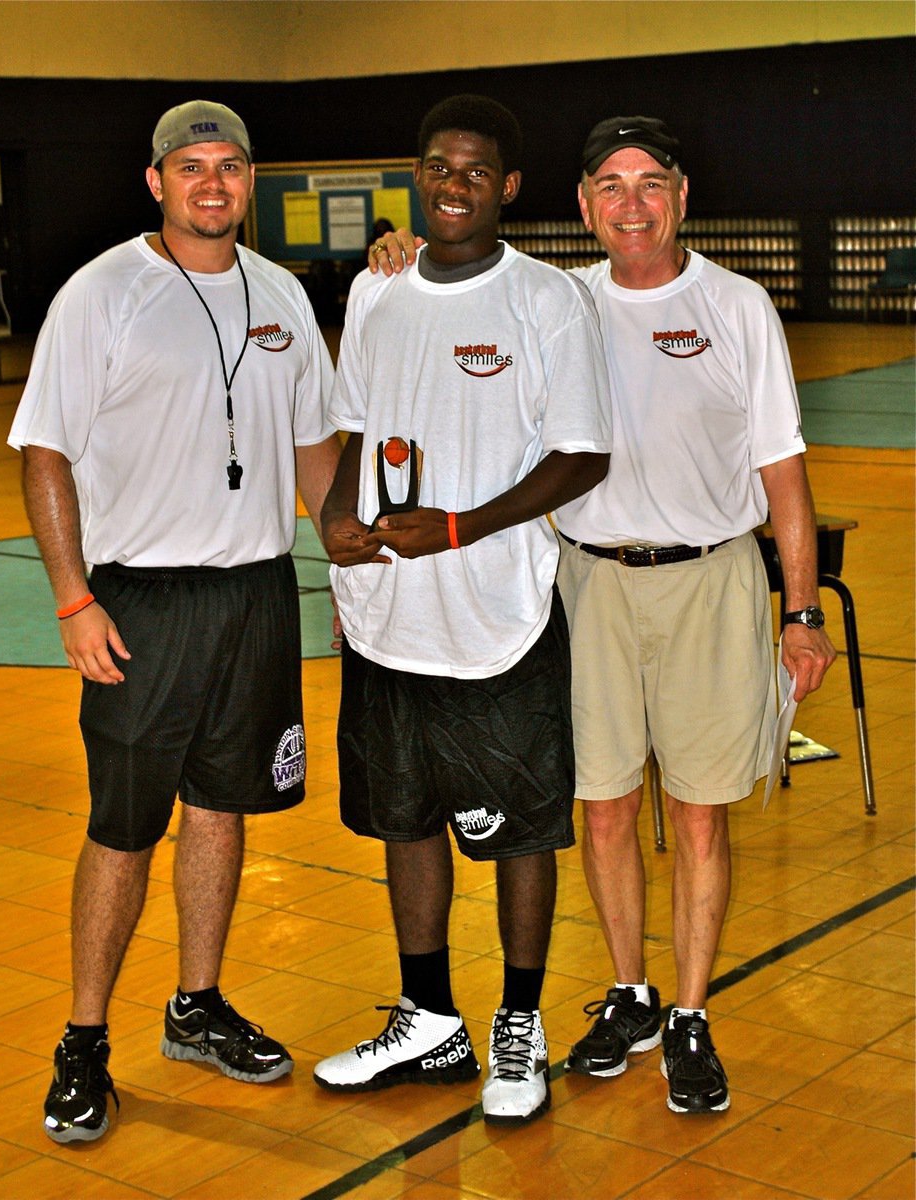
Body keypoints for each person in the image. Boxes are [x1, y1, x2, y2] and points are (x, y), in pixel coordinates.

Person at [370, 115, 836, 1115]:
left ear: (678, 196)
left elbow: (783, 478)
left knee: (699, 813)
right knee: (604, 805)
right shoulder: (555, 300)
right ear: (580, 206)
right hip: (581, 581)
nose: (630, 204)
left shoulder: (738, 306)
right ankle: (629, 993)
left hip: (709, 581)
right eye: (608, 187)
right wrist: (404, 256)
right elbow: (457, 299)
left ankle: (690, 1014)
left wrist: (799, 612)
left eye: (648, 183)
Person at [8, 100, 342, 1144]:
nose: (212, 184)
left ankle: (196, 1005)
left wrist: (359, 551)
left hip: (252, 593)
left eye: (231, 167)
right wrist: (73, 596)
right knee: (122, 824)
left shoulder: (280, 292)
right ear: (155, 180)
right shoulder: (104, 292)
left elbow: (314, 448)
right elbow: (45, 450)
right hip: (140, 597)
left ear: (253, 182)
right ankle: (84, 1039)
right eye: (191, 167)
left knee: (221, 804)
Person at [312, 94, 612, 1126]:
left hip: (498, 613)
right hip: (388, 612)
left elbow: (583, 453)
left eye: (474, 171)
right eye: (437, 167)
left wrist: (461, 527)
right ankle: (426, 1016)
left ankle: (516, 1023)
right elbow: (354, 427)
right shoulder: (376, 292)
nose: (451, 185)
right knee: (404, 815)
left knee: (522, 830)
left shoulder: (546, 301)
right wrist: (334, 515)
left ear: (509, 187)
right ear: (416, 175)